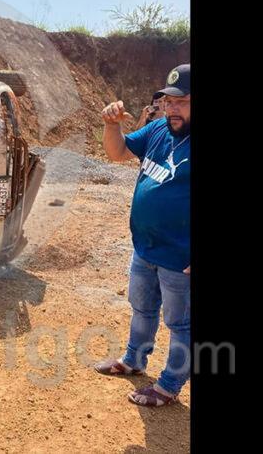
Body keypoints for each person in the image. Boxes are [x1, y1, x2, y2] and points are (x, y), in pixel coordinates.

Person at [93, 64, 191, 407]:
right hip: (145, 248)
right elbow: (117, 152)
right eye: (168, 101)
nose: (172, 109)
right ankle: (134, 360)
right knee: (142, 309)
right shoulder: (158, 129)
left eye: (182, 102)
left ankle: (169, 386)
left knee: (181, 324)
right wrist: (112, 125)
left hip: (180, 258)